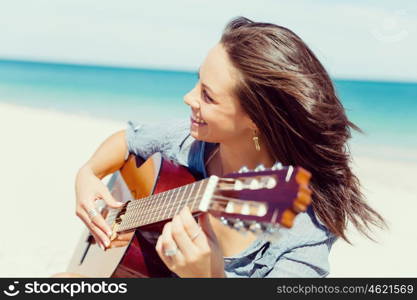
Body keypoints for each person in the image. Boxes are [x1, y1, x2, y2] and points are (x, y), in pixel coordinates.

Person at [59, 16, 386, 278]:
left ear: (257, 119)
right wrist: (88, 174)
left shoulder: (304, 230)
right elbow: (128, 139)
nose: (188, 98)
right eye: (197, 81)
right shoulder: (190, 143)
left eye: (208, 95)